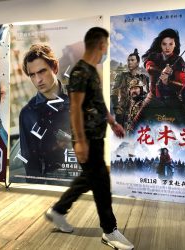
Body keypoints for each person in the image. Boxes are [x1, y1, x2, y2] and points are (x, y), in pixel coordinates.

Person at [45, 27, 134, 250]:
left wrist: (112, 123)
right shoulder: (79, 72)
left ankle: (58, 210)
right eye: (107, 45)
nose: (107, 49)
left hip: (96, 135)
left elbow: (98, 103)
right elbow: (74, 108)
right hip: (87, 138)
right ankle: (110, 231)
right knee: (101, 183)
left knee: (89, 178)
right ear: (101, 44)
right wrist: (81, 141)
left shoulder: (92, 71)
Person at [19, 44, 73, 183]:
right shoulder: (28, 114)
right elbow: (30, 161)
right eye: (32, 75)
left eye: (42, 71)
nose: (38, 80)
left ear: (54, 67)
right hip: (52, 181)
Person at [131, 28, 185, 129]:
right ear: (160, 44)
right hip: (153, 97)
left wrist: (168, 81)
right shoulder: (153, 56)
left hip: (171, 99)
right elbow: (148, 66)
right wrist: (161, 70)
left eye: (171, 44)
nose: (167, 47)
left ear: (175, 45)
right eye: (164, 44)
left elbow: (181, 84)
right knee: (135, 125)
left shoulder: (179, 61)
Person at [111, 48, 149, 126]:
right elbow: (114, 93)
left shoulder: (144, 78)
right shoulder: (121, 76)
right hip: (123, 112)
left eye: (132, 60)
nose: (129, 62)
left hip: (139, 112)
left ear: (138, 62)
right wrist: (116, 107)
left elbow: (149, 95)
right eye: (128, 60)